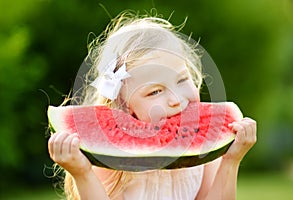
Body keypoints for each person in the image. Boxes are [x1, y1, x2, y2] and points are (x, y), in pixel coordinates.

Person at [48, 11, 257, 200]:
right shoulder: (115, 163)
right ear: (125, 106)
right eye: (155, 91)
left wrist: (231, 161)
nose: (175, 99)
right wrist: (82, 173)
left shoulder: (203, 155)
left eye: (182, 80)